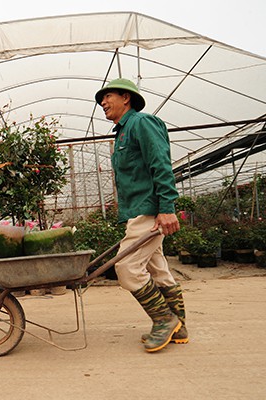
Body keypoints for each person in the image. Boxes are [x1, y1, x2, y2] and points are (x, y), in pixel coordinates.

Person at [94, 78, 188, 353]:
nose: (103, 103)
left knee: (126, 269)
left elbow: (161, 164)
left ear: (126, 98)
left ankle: (164, 319)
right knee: (158, 269)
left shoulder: (142, 123)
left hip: (148, 211)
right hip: (139, 210)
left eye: (107, 96)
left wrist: (167, 208)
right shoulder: (122, 132)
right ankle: (179, 327)